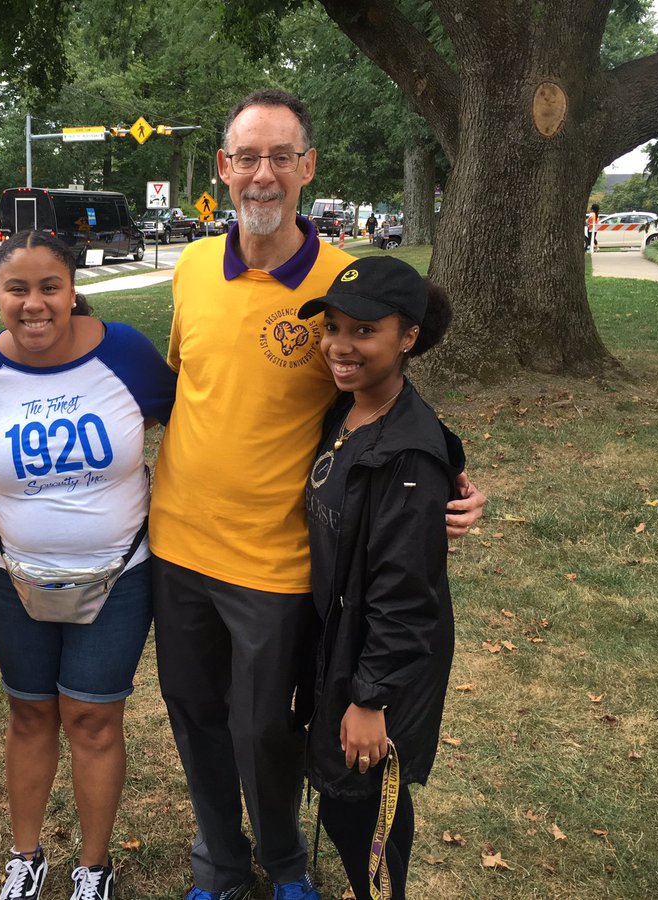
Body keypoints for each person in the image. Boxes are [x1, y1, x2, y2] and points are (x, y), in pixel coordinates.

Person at [148, 89, 485, 900]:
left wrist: (447, 466)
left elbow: (377, 399)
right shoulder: (192, 268)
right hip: (177, 547)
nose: (262, 176)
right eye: (246, 158)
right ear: (223, 169)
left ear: (308, 168)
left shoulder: (346, 285)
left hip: (277, 560)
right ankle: (221, 867)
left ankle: (286, 861)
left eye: (280, 158)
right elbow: (188, 386)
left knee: (264, 729)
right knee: (195, 721)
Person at [0, 229, 176, 900]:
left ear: (73, 290)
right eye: (17, 289)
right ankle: (26, 856)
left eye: (50, 287)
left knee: (93, 720)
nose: (34, 303)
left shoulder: (125, 352)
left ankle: (94, 869)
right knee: (29, 715)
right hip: (15, 577)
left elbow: (195, 417)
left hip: (121, 575)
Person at [298, 255, 459, 900]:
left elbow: (405, 595)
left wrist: (371, 700)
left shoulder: (409, 456)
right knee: (342, 797)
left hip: (377, 665)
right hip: (342, 644)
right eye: (333, 327)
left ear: (408, 337)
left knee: (365, 812)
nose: (340, 346)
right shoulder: (349, 412)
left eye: (365, 331)